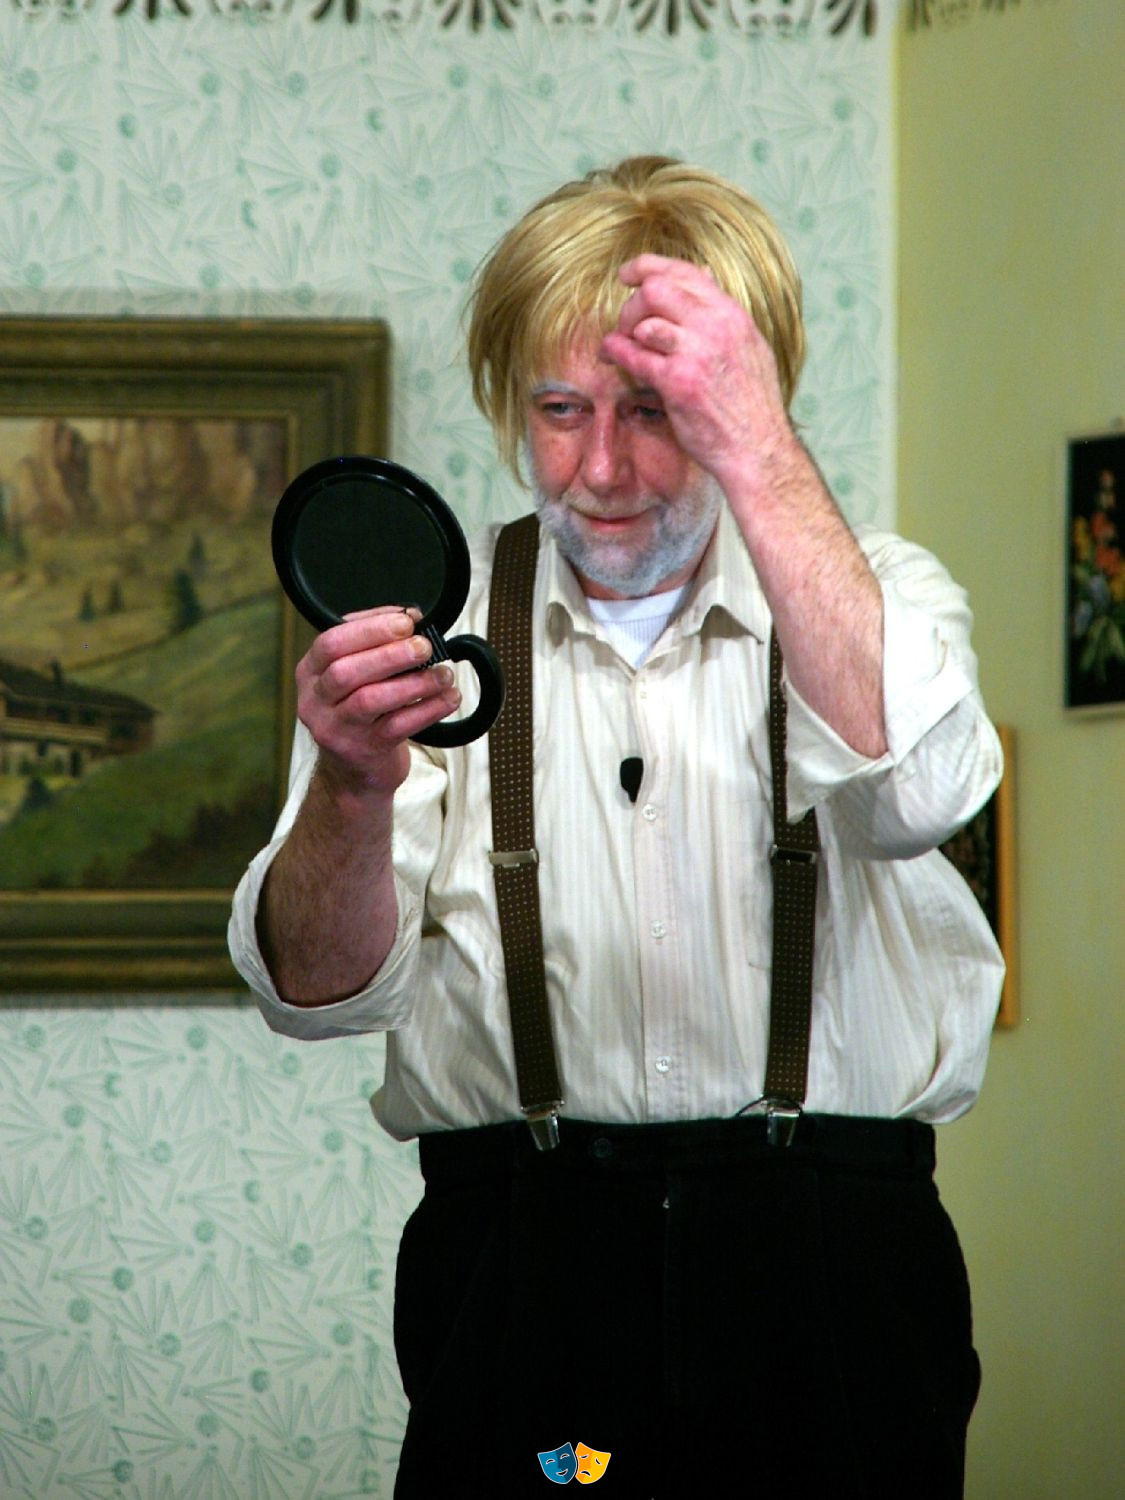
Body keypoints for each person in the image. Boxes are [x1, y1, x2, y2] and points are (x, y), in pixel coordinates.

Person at [229, 156, 1004, 1499]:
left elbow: (922, 798)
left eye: (653, 411)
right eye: (559, 410)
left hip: (831, 1257)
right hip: (524, 1261)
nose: (600, 469)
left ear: (744, 398)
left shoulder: (879, 593)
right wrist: (352, 787)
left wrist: (757, 450)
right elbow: (314, 992)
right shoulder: (423, 625)